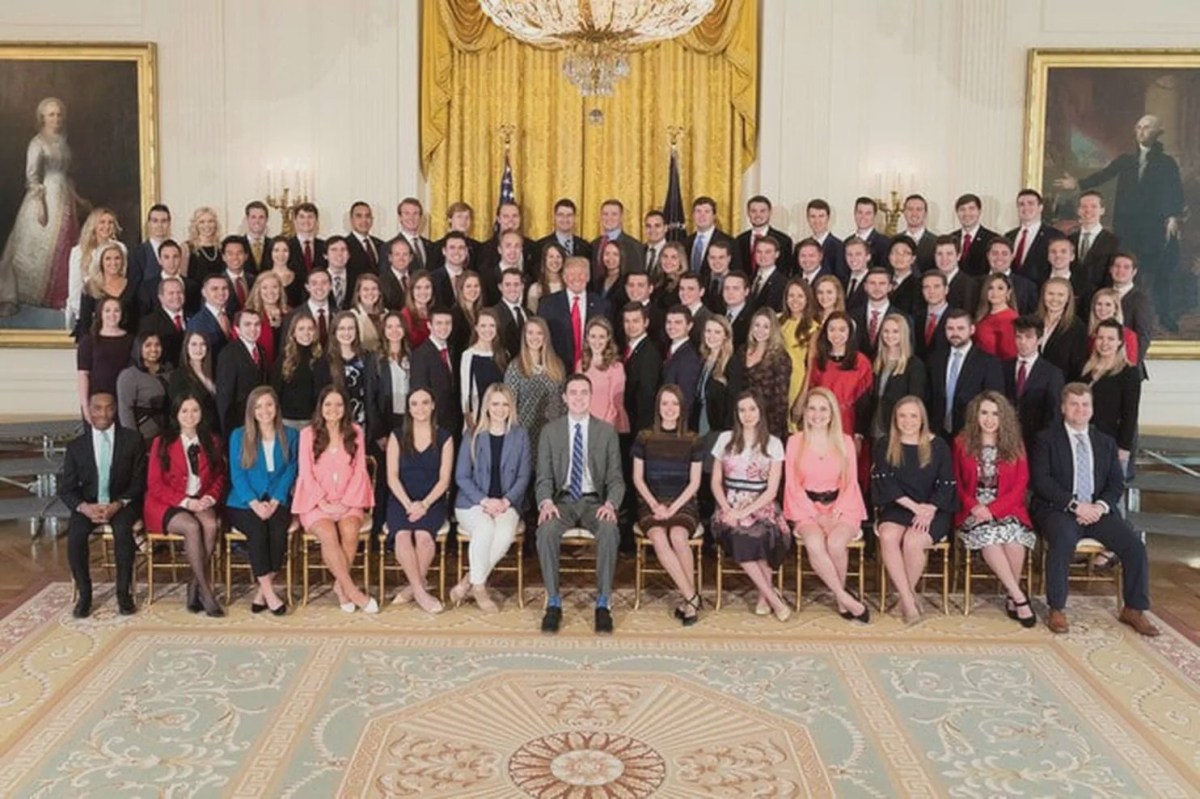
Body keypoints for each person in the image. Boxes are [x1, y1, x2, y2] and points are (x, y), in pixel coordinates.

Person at [1030, 383, 1159, 636]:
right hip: (1058, 509)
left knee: (1134, 545)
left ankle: (1134, 608)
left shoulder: (1105, 442)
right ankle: (1057, 608)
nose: (1080, 409)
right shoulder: (1046, 439)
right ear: (1063, 408)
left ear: (1092, 408)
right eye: (1074, 404)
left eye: (1085, 404)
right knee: (1063, 541)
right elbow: (1041, 481)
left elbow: (1115, 483)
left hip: (1097, 510)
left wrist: (1099, 507)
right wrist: (1075, 506)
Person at [1055, 114, 1183, 331]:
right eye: (1139, 127)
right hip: (1128, 228)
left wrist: (1172, 216)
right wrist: (1078, 183)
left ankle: (1164, 315)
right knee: (1126, 273)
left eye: (1147, 128)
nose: (1142, 131)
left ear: (1158, 132)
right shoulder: (1126, 160)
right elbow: (1104, 175)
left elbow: (1175, 191)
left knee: (1160, 272)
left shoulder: (1167, 163)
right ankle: (1125, 315)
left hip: (1154, 228)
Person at [535, 374, 625, 635]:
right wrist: (546, 502)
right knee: (546, 530)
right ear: (564, 398)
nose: (578, 398)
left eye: (584, 392)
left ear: (591, 396)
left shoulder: (606, 432)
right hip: (561, 501)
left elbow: (616, 479)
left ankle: (603, 603)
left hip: (594, 501)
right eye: (573, 392)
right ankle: (553, 602)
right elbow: (543, 477)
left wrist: (610, 504)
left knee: (609, 529)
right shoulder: (550, 432)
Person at [783, 387, 870, 622]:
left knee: (835, 543)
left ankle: (842, 601)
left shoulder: (845, 442)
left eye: (823, 409)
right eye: (812, 409)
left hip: (843, 506)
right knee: (814, 542)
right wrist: (816, 514)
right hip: (806, 508)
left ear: (832, 413)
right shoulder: (794, 442)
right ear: (805, 412)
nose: (817, 415)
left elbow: (850, 482)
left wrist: (836, 512)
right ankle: (845, 598)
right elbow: (792, 485)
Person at [59, 392, 146, 618]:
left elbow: (139, 481)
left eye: (108, 408)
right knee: (75, 536)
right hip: (89, 504)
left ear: (115, 409)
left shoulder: (133, 439)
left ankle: (123, 594)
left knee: (123, 532)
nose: (103, 413)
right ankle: (85, 595)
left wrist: (118, 504)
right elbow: (66, 488)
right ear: (89, 410)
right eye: (97, 408)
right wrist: (84, 507)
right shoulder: (76, 446)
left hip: (122, 503)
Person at [954, 391, 1037, 625]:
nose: (989, 419)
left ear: (1003, 417)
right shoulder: (961, 443)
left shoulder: (1015, 444)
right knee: (990, 539)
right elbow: (956, 481)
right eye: (984, 413)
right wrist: (975, 506)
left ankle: (1012, 595)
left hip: (1008, 509)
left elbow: (1021, 483)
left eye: (995, 413)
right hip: (974, 511)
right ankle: (1019, 597)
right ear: (976, 415)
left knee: (1014, 542)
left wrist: (994, 510)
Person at [872, 396, 957, 622]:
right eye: (902, 416)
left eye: (913, 416)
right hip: (899, 505)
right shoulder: (885, 444)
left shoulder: (938, 445)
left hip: (933, 509)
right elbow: (885, 481)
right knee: (888, 536)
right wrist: (914, 507)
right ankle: (909, 600)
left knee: (913, 540)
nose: (907, 421)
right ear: (895, 419)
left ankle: (904, 596)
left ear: (922, 419)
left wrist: (929, 508)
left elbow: (947, 483)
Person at [293, 386, 377, 613]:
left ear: (346, 408)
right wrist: (323, 502)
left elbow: (359, 471)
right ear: (320, 407)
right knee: (328, 534)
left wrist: (346, 502)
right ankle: (351, 591)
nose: (333, 409)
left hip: (349, 500)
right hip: (316, 503)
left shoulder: (356, 432)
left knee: (350, 531)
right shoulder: (307, 434)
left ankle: (340, 587)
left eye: (339, 404)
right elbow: (305, 473)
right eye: (328, 404)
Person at [710, 391, 791, 621]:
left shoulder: (774, 444)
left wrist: (744, 512)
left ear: (760, 411)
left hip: (761, 504)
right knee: (741, 538)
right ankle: (774, 598)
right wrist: (728, 509)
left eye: (752, 409)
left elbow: (772, 490)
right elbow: (715, 481)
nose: (747, 415)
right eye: (742, 410)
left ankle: (763, 598)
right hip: (729, 503)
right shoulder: (725, 439)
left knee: (763, 537)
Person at [145, 393, 228, 616]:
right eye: (184, 411)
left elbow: (220, 476)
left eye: (195, 410)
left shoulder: (212, 441)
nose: (190, 416)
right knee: (191, 527)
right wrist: (186, 502)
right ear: (176, 414)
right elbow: (154, 484)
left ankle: (194, 584)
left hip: (200, 498)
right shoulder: (162, 442)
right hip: (167, 502)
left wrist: (210, 498)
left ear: (202, 413)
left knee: (210, 525)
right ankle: (206, 592)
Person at [451, 384, 532, 612]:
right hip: (473, 502)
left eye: (505, 404)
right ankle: (479, 588)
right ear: (487, 406)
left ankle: (468, 581)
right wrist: (485, 501)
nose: (500, 409)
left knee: (504, 533)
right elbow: (461, 476)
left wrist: (505, 501)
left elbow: (524, 476)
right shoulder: (473, 435)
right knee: (485, 527)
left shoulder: (520, 435)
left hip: (508, 502)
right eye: (495, 403)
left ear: (511, 407)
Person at [631, 385, 707, 625]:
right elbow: (637, 478)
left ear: (682, 407)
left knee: (678, 536)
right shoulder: (644, 437)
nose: (670, 408)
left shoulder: (693, 439)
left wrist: (673, 508)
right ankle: (692, 597)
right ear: (658, 407)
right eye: (665, 403)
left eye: (675, 403)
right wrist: (655, 505)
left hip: (683, 503)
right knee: (659, 537)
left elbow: (695, 482)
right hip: (651, 502)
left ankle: (689, 600)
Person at [0, 97, 80, 317]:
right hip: (44, 198)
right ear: (42, 117)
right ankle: (28, 295)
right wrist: (41, 205)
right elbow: (32, 177)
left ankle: (59, 296)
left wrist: (78, 199)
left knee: (66, 245)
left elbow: (65, 176)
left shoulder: (63, 142)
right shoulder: (37, 143)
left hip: (64, 198)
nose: (56, 118)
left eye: (59, 114)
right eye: (51, 114)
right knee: (36, 247)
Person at [226, 386, 299, 615]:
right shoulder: (239, 436)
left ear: (276, 407)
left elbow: (292, 469)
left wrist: (276, 500)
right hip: (244, 502)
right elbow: (237, 474)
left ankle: (261, 593)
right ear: (251, 410)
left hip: (278, 498)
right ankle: (269, 593)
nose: (264, 411)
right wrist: (255, 504)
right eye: (258, 406)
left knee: (277, 532)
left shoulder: (291, 435)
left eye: (269, 404)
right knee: (257, 531)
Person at [382, 387, 453, 613]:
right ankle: (421, 592)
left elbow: (444, 480)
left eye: (425, 402)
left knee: (423, 538)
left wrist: (424, 504)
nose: (420, 408)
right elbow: (392, 477)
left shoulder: (445, 438)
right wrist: (408, 504)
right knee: (402, 536)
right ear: (408, 408)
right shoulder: (397, 436)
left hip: (432, 500)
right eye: (414, 403)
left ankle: (411, 589)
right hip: (401, 499)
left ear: (433, 405)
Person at [928, 309, 1004, 438]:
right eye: (950, 329)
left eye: (960, 328)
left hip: (972, 434)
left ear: (972, 330)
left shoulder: (988, 362)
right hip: (937, 433)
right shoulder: (935, 360)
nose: (955, 333)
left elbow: (994, 401)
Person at [1081, 320, 1141, 467]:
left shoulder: (1129, 373)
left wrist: (1124, 447)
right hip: (1083, 441)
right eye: (1100, 338)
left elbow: (1130, 413)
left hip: (1111, 443)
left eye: (1110, 339)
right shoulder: (1085, 370)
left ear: (1120, 342)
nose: (1104, 343)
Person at [504, 316, 566, 457]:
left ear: (545, 337)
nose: (534, 337)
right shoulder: (515, 367)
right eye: (530, 333)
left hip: (551, 435)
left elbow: (563, 403)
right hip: (525, 435)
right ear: (524, 336)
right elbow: (510, 405)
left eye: (539, 333)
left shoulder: (557, 365)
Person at [727, 307, 792, 441]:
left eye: (766, 327)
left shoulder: (780, 358)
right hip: (742, 420)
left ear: (773, 330)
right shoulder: (742, 351)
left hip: (768, 425)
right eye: (757, 325)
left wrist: (770, 434)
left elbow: (781, 401)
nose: (760, 330)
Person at [807, 311, 873, 439]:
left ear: (850, 332)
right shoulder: (819, 361)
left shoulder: (861, 362)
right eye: (832, 329)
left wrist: (859, 434)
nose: (836, 334)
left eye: (842, 330)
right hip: (822, 422)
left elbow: (864, 403)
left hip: (850, 424)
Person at [315, 311, 381, 441]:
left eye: (351, 328)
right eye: (342, 328)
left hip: (363, 424)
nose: (346, 333)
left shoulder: (367, 358)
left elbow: (374, 395)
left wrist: (377, 430)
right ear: (334, 332)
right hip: (335, 425)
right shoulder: (324, 362)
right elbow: (320, 398)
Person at [540, 257, 609, 372]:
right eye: (571, 274)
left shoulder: (602, 305)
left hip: (592, 370)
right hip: (557, 370)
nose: (577, 278)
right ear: (564, 277)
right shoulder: (548, 304)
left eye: (581, 274)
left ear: (588, 277)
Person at [1005, 316, 1065, 448]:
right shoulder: (1003, 367)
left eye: (1028, 337)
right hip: (1006, 440)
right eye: (1019, 337)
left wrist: (1045, 444)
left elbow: (1055, 415)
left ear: (1040, 340)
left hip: (1037, 442)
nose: (1022, 342)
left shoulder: (1052, 374)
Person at [66, 208, 125, 332]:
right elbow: (75, 289)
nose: (106, 226)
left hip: (116, 318)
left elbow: (123, 278)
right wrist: (85, 314)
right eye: (102, 222)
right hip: (89, 317)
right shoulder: (78, 252)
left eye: (110, 222)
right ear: (93, 225)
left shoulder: (121, 248)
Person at [76, 296, 132, 425]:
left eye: (116, 310)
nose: (112, 314)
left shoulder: (131, 340)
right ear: (100, 314)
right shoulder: (88, 340)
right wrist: (85, 405)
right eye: (107, 310)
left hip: (124, 399)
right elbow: (83, 375)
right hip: (97, 399)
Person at [871, 314, 927, 441]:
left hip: (898, 428)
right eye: (886, 331)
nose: (890, 335)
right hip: (875, 426)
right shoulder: (876, 361)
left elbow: (915, 401)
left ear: (904, 334)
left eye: (895, 331)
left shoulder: (914, 365)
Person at [409, 307, 461, 434]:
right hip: (434, 424)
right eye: (439, 323)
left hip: (455, 422)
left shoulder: (454, 350)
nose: (444, 327)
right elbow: (420, 392)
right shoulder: (420, 355)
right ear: (429, 325)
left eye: (447, 323)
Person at [215, 309, 267, 434]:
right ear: (237, 329)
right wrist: (228, 433)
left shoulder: (261, 351)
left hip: (259, 419)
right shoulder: (228, 353)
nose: (253, 329)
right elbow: (224, 398)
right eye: (247, 324)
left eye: (257, 324)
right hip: (238, 424)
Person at [74, 242, 137, 338]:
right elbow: (85, 322)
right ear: (100, 261)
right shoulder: (90, 287)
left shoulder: (133, 285)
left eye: (117, 258)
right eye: (108, 259)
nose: (113, 263)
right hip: (98, 342)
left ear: (123, 261)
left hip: (129, 341)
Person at [116, 331, 171, 442]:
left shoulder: (169, 371)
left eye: (157, 345)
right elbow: (125, 411)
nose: (153, 349)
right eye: (148, 345)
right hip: (144, 437)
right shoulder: (130, 375)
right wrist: (133, 440)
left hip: (168, 434)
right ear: (139, 348)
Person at [779, 278, 818, 431]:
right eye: (791, 295)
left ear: (808, 299)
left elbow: (811, 367)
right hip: (775, 383)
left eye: (800, 296)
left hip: (797, 384)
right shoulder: (776, 320)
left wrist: (802, 397)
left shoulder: (814, 328)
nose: (795, 300)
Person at [459, 307, 507, 430]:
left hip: (500, 417)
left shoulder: (504, 354)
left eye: (492, 326)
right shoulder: (469, 355)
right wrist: (471, 424)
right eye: (483, 326)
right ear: (476, 328)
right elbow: (466, 394)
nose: (487, 330)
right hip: (478, 419)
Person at [273, 312, 322, 429]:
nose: (306, 333)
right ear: (293, 333)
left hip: (313, 420)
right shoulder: (284, 358)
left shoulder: (321, 358)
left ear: (315, 332)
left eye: (310, 329)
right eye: (301, 329)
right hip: (286, 420)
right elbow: (275, 390)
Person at [1035, 276, 1088, 382]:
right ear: (1043, 296)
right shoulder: (1031, 321)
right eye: (1050, 294)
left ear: (1068, 298)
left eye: (1060, 295)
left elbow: (1077, 366)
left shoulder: (1077, 327)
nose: (1055, 299)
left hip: (1060, 385)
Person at [581, 316, 629, 432]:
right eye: (593, 336)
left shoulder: (616, 367)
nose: (597, 341)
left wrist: (602, 431)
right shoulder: (581, 365)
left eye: (601, 337)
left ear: (608, 338)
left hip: (608, 426)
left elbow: (615, 405)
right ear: (587, 338)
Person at [692, 316, 733, 437]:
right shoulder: (702, 358)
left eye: (717, 332)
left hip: (716, 425)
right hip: (698, 418)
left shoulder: (731, 363)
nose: (711, 336)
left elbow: (733, 401)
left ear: (725, 335)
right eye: (708, 331)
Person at [168, 331, 219, 426]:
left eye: (202, 344)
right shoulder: (178, 375)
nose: (198, 349)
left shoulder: (215, 372)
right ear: (186, 347)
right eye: (194, 344)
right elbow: (177, 408)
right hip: (194, 427)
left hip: (217, 427)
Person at [661, 306, 702, 416]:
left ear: (689, 326)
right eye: (669, 322)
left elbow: (686, 398)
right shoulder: (670, 349)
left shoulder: (689, 358)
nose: (672, 327)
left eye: (678, 322)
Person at [375, 310, 411, 434]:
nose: (394, 330)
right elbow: (371, 399)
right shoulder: (375, 360)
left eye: (398, 326)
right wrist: (378, 432)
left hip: (410, 418)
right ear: (383, 331)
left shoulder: (413, 356)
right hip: (386, 420)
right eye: (389, 327)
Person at [950, 193, 1000, 277]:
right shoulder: (951, 238)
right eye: (962, 209)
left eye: (971, 208)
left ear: (979, 211)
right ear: (957, 213)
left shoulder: (993, 239)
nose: (967, 213)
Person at [1087, 288, 1140, 365]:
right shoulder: (1089, 335)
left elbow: (1131, 365)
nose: (1103, 308)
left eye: (1108, 304)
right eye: (1099, 304)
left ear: (1116, 308)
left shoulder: (1128, 335)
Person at [972, 274, 1019, 361]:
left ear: (1008, 292)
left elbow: (1009, 354)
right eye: (990, 288)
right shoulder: (983, 314)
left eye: (1000, 288)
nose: (994, 292)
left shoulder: (1010, 318)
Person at [263, 236, 303, 308]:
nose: (281, 254)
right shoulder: (263, 278)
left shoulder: (300, 277)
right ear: (270, 253)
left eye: (285, 250)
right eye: (276, 250)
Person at [185, 206, 222, 281]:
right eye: (202, 222)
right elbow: (183, 277)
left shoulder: (221, 247)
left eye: (210, 221)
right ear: (196, 225)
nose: (207, 225)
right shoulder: (187, 247)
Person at [527, 241, 565, 314]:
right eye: (551, 257)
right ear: (544, 260)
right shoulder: (535, 289)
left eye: (558, 257)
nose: (555, 260)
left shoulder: (570, 287)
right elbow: (533, 316)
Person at [401, 270, 436, 350]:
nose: (423, 292)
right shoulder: (405, 315)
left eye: (427, 287)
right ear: (411, 291)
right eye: (418, 288)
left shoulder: (435, 312)